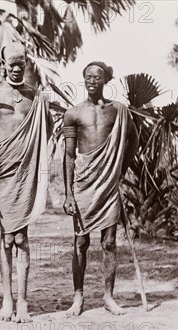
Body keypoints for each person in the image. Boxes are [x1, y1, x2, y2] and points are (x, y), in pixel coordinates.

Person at [62, 61, 139, 316]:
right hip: (83, 183)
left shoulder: (118, 111)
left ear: (105, 81)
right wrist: (68, 193)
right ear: (83, 80)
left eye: (97, 77)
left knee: (109, 243)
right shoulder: (73, 113)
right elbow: (69, 156)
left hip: (108, 183)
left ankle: (108, 297)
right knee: (80, 242)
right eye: (88, 77)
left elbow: (133, 140)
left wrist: (119, 171)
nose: (92, 81)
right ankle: (78, 297)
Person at [0, 42, 52, 323]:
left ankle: (23, 301)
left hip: (25, 173)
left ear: (27, 64)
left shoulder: (36, 97)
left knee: (21, 237)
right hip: (0, 172)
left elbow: (43, 132)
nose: (15, 68)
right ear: (2, 64)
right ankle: (7, 302)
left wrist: (32, 164)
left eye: (20, 63)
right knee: (6, 237)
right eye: (11, 63)